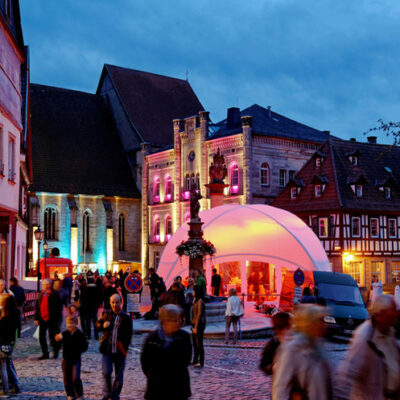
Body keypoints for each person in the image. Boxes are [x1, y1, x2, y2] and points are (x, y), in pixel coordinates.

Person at [336, 294, 400, 400]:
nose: (396, 316)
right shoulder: (364, 337)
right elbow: (347, 374)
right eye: (392, 312)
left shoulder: (389, 331)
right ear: (380, 315)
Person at [272, 304, 332, 400]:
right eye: (320, 321)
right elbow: (280, 387)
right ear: (309, 324)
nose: (324, 325)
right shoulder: (292, 349)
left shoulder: (320, 346)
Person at [141, 304, 192, 400]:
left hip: (178, 387)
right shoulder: (152, 339)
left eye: (179, 320)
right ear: (165, 321)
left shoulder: (183, 337)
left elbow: (186, 359)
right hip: (157, 388)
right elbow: (145, 362)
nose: (179, 323)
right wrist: (154, 376)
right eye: (175, 320)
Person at [96, 294, 132, 400]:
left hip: (120, 351)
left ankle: (115, 395)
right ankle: (107, 393)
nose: (115, 304)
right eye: (113, 302)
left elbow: (129, 335)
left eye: (117, 302)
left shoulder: (126, 317)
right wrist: (102, 325)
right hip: (107, 349)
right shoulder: (105, 314)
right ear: (110, 303)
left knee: (118, 376)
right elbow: (97, 326)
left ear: (121, 303)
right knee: (106, 372)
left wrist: (124, 347)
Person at [55, 315, 88, 400]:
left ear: (76, 324)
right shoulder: (65, 334)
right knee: (67, 378)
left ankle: (79, 394)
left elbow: (85, 346)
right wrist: (57, 338)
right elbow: (57, 342)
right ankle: (70, 394)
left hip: (76, 359)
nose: (70, 325)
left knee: (76, 378)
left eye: (72, 323)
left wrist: (79, 350)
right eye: (68, 323)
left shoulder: (79, 334)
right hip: (66, 359)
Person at [34, 279, 63, 360]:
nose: (43, 286)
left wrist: (57, 319)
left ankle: (56, 352)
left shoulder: (55, 294)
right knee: (41, 337)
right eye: (43, 284)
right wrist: (36, 318)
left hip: (52, 319)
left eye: (45, 284)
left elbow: (59, 308)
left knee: (53, 336)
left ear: (49, 285)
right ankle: (45, 353)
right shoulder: (41, 294)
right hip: (42, 318)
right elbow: (37, 307)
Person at [0, 294, 20, 395]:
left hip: (3, 342)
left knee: (3, 365)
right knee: (9, 364)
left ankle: (6, 388)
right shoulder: (16, 313)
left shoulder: (6, 317)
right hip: (10, 341)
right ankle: (16, 386)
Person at [192, 285, 206, 368]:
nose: (193, 292)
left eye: (194, 290)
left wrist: (196, 326)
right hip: (194, 323)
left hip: (199, 324)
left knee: (199, 343)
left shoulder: (200, 301)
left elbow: (199, 314)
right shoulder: (195, 300)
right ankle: (195, 360)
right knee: (195, 343)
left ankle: (201, 361)